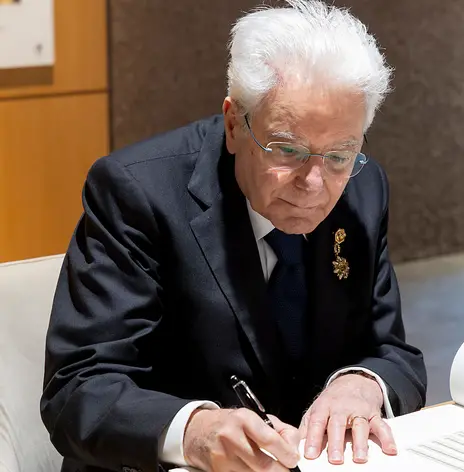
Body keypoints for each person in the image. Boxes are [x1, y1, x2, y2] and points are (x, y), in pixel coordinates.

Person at [39, 1, 427, 471]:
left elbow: (392, 351)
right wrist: (193, 431)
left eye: (340, 155)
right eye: (288, 151)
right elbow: (78, 388)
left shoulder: (364, 188)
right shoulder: (138, 193)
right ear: (233, 124)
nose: (314, 183)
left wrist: (362, 383)